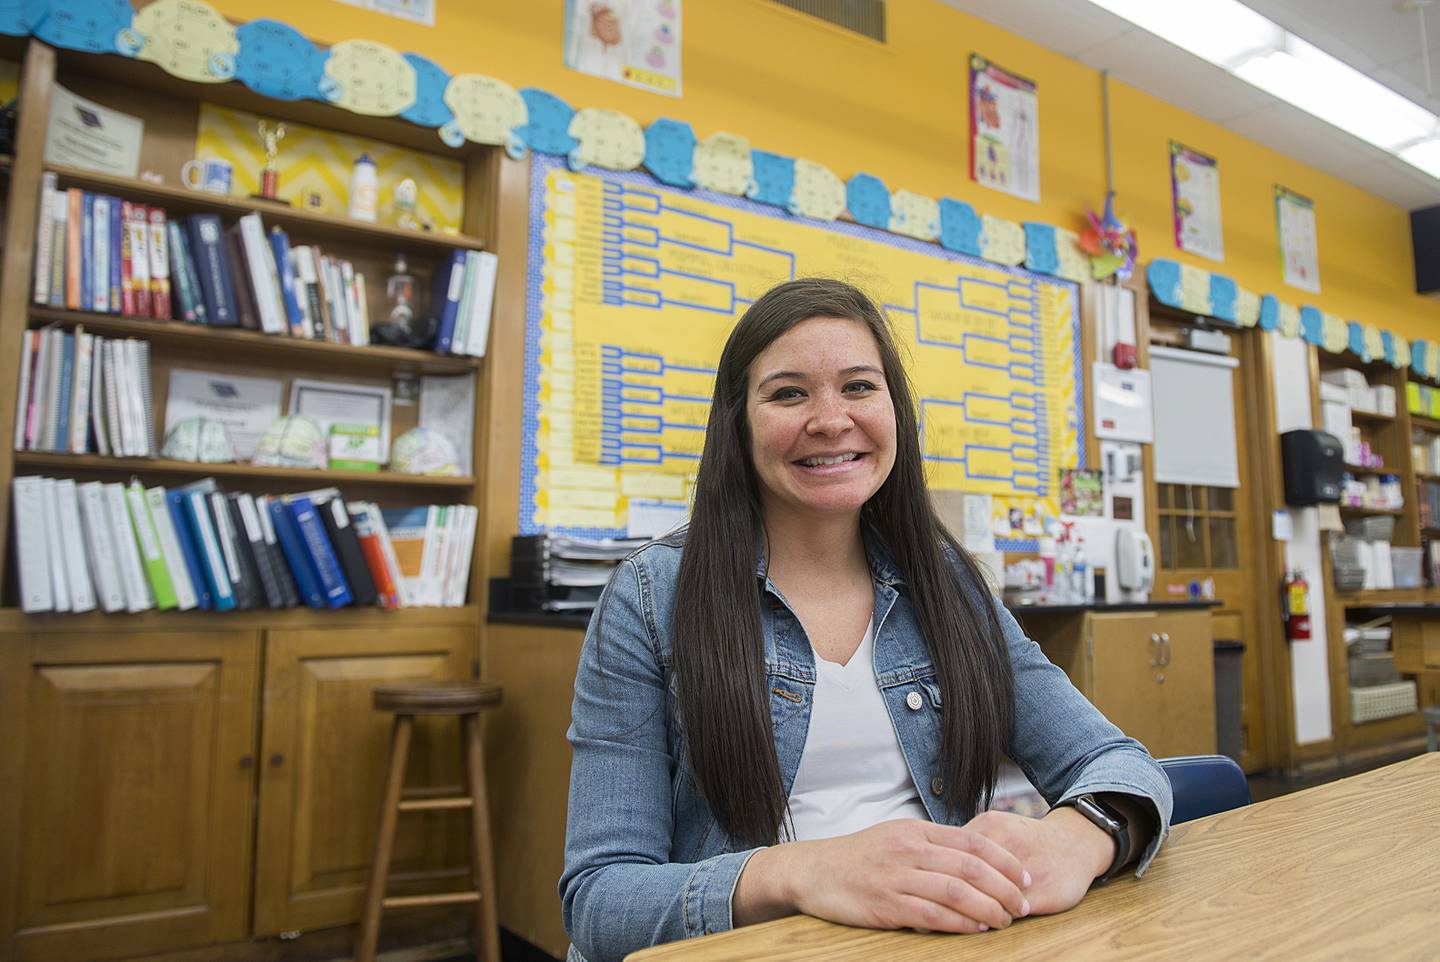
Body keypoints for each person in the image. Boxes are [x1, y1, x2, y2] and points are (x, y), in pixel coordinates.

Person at [560, 278, 1171, 962]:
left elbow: (1118, 763)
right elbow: (600, 900)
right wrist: (804, 872)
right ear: (739, 422)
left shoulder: (946, 585)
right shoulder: (650, 598)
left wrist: (1075, 838)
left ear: (895, 412)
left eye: (858, 387)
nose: (829, 420)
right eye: (788, 393)